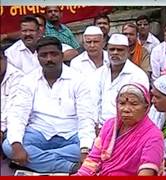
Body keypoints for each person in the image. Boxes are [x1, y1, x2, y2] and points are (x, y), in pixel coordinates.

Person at [2, 36, 96, 173]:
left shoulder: (78, 80)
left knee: (93, 147)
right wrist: (17, 145)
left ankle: (33, 161)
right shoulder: (28, 80)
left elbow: (86, 118)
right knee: (9, 146)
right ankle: (71, 167)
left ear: (62, 55)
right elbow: (18, 114)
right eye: (44, 55)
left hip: (71, 134)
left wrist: (85, 150)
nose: (49, 59)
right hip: (39, 132)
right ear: (37, 58)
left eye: (54, 54)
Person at [75, 83, 164, 176]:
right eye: (121, 103)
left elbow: (146, 172)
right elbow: (93, 159)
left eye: (134, 104)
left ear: (146, 107)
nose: (126, 109)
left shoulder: (153, 136)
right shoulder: (109, 125)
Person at [90, 33, 149, 128]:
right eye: (112, 49)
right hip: (99, 127)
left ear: (128, 51)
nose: (115, 53)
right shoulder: (98, 73)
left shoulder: (138, 75)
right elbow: (93, 102)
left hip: (125, 127)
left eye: (120, 50)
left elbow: (137, 109)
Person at [1, 47, 24, 154]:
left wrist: (1, 129)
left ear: (5, 59)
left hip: (9, 125)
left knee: (9, 146)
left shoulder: (18, 77)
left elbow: (13, 110)